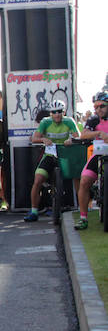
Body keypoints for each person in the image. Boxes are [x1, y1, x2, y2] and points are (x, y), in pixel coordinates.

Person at [24, 100, 79, 222]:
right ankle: (33, 211)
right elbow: (34, 138)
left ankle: (79, 206)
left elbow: (78, 137)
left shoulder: (69, 121)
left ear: (63, 112)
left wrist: (71, 140)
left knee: (77, 176)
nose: (57, 114)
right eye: (54, 112)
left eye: (59, 112)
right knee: (38, 180)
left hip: (64, 155)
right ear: (50, 114)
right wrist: (43, 139)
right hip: (49, 155)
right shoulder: (45, 122)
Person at [75, 93, 108, 229]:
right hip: (99, 153)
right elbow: (84, 134)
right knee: (84, 181)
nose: (99, 109)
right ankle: (83, 218)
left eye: (102, 106)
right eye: (96, 107)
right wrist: (98, 134)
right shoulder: (94, 120)